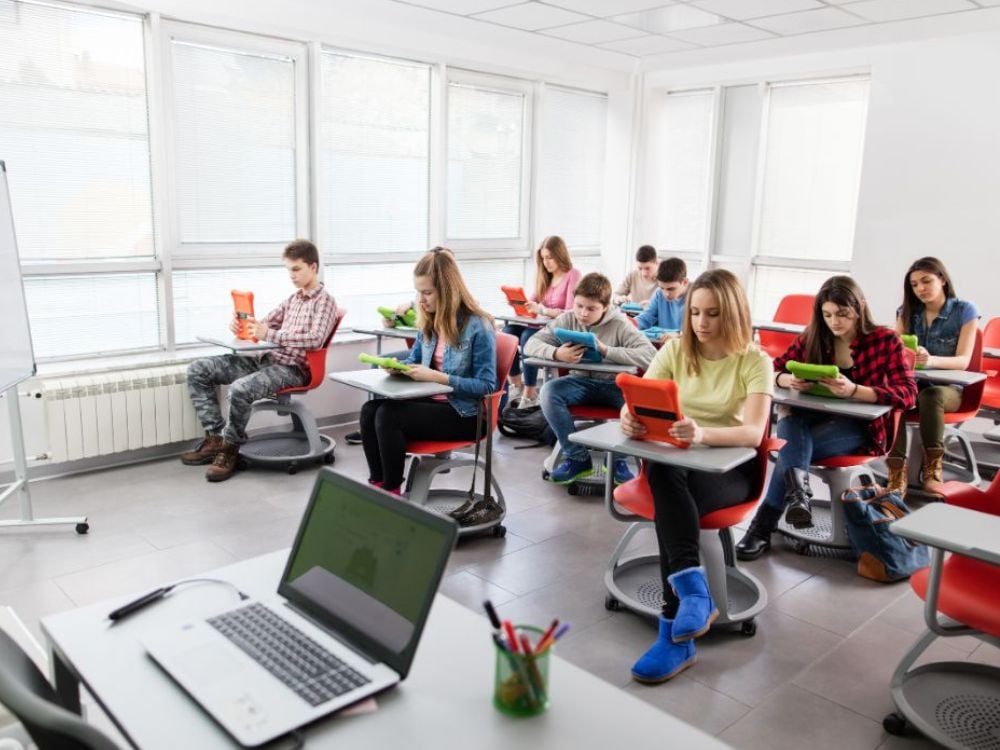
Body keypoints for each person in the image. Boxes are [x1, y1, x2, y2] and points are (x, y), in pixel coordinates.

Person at [623, 269, 772, 684]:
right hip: (676, 466)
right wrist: (628, 419)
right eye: (695, 313)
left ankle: (676, 633)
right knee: (668, 473)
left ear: (735, 314)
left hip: (730, 471)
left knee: (670, 489)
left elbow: (753, 433)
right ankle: (691, 594)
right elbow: (637, 398)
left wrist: (701, 433)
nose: (702, 323)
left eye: (713, 314)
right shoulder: (674, 351)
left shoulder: (756, 360)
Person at [736, 276, 917, 560]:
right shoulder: (814, 336)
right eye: (828, 314)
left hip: (861, 428)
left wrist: (856, 391)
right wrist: (786, 379)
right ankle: (796, 499)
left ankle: (762, 527)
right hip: (808, 421)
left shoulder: (885, 340)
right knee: (790, 425)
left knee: (787, 450)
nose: (835, 322)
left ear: (860, 308)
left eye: (842, 314)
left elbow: (908, 393)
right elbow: (771, 368)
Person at [360, 248, 501, 525]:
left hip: (466, 415)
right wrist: (397, 368)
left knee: (388, 415)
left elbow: (487, 385)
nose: (420, 300)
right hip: (433, 403)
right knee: (369, 410)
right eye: (418, 292)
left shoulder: (478, 326)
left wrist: (439, 378)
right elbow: (415, 361)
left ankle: (391, 491)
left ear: (447, 291)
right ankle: (379, 485)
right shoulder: (430, 320)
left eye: (427, 292)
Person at [181, 240, 338, 482]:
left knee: (240, 389)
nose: (292, 275)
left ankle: (229, 450)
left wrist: (269, 334)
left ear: (314, 267)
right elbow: (262, 325)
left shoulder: (325, 302)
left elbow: (315, 340)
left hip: (293, 369)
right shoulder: (292, 300)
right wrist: (242, 326)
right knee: (198, 370)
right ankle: (215, 439)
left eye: (297, 269)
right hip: (266, 360)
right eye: (288, 270)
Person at [524, 273, 656, 485]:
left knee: (640, 404)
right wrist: (557, 354)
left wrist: (607, 351)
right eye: (579, 306)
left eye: (591, 308)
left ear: (605, 306)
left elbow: (650, 356)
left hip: (615, 386)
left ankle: (618, 460)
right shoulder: (567, 318)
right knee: (549, 391)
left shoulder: (621, 324)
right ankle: (577, 458)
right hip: (579, 383)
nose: (583, 313)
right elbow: (531, 343)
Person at [887, 257, 979, 497]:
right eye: (915, 285)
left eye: (926, 281)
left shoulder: (965, 310)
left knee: (932, 395)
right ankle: (896, 471)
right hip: (913, 386)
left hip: (950, 390)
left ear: (943, 279)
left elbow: (963, 361)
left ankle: (933, 468)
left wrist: (931, 361)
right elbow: (894, 356)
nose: (920, 289)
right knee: (895, 395)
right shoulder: (906, 312)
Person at [503, 236, 582, 409]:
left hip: (558, 329)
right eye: (543, 258)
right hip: (538, 326)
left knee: (526, 337)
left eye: (549, 257)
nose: (546, 262)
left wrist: (543, 311)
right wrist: (518, 303)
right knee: (507, 333)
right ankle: (516, 384)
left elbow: (570, 311)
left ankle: (530, 392)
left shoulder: (572, 274)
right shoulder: (545, 276)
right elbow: (531, 302)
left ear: (560, 255)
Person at [344, 299, 417, 446]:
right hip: (421, 348)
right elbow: (412, 319)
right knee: (380, 362)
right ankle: (375, 425)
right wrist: (395, 320)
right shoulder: (419, 299)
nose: (422, 295)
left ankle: (389, 427)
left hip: (436, 352)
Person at [635, 258, 689, 343]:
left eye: (671, 289)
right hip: (663, 346)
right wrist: (627, 324)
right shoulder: (659, 294)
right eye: (662, 288)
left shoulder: (696, 297)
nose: (666, 294)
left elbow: (698, 331)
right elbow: (646, 318)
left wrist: (679, 335)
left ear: (685, 282)